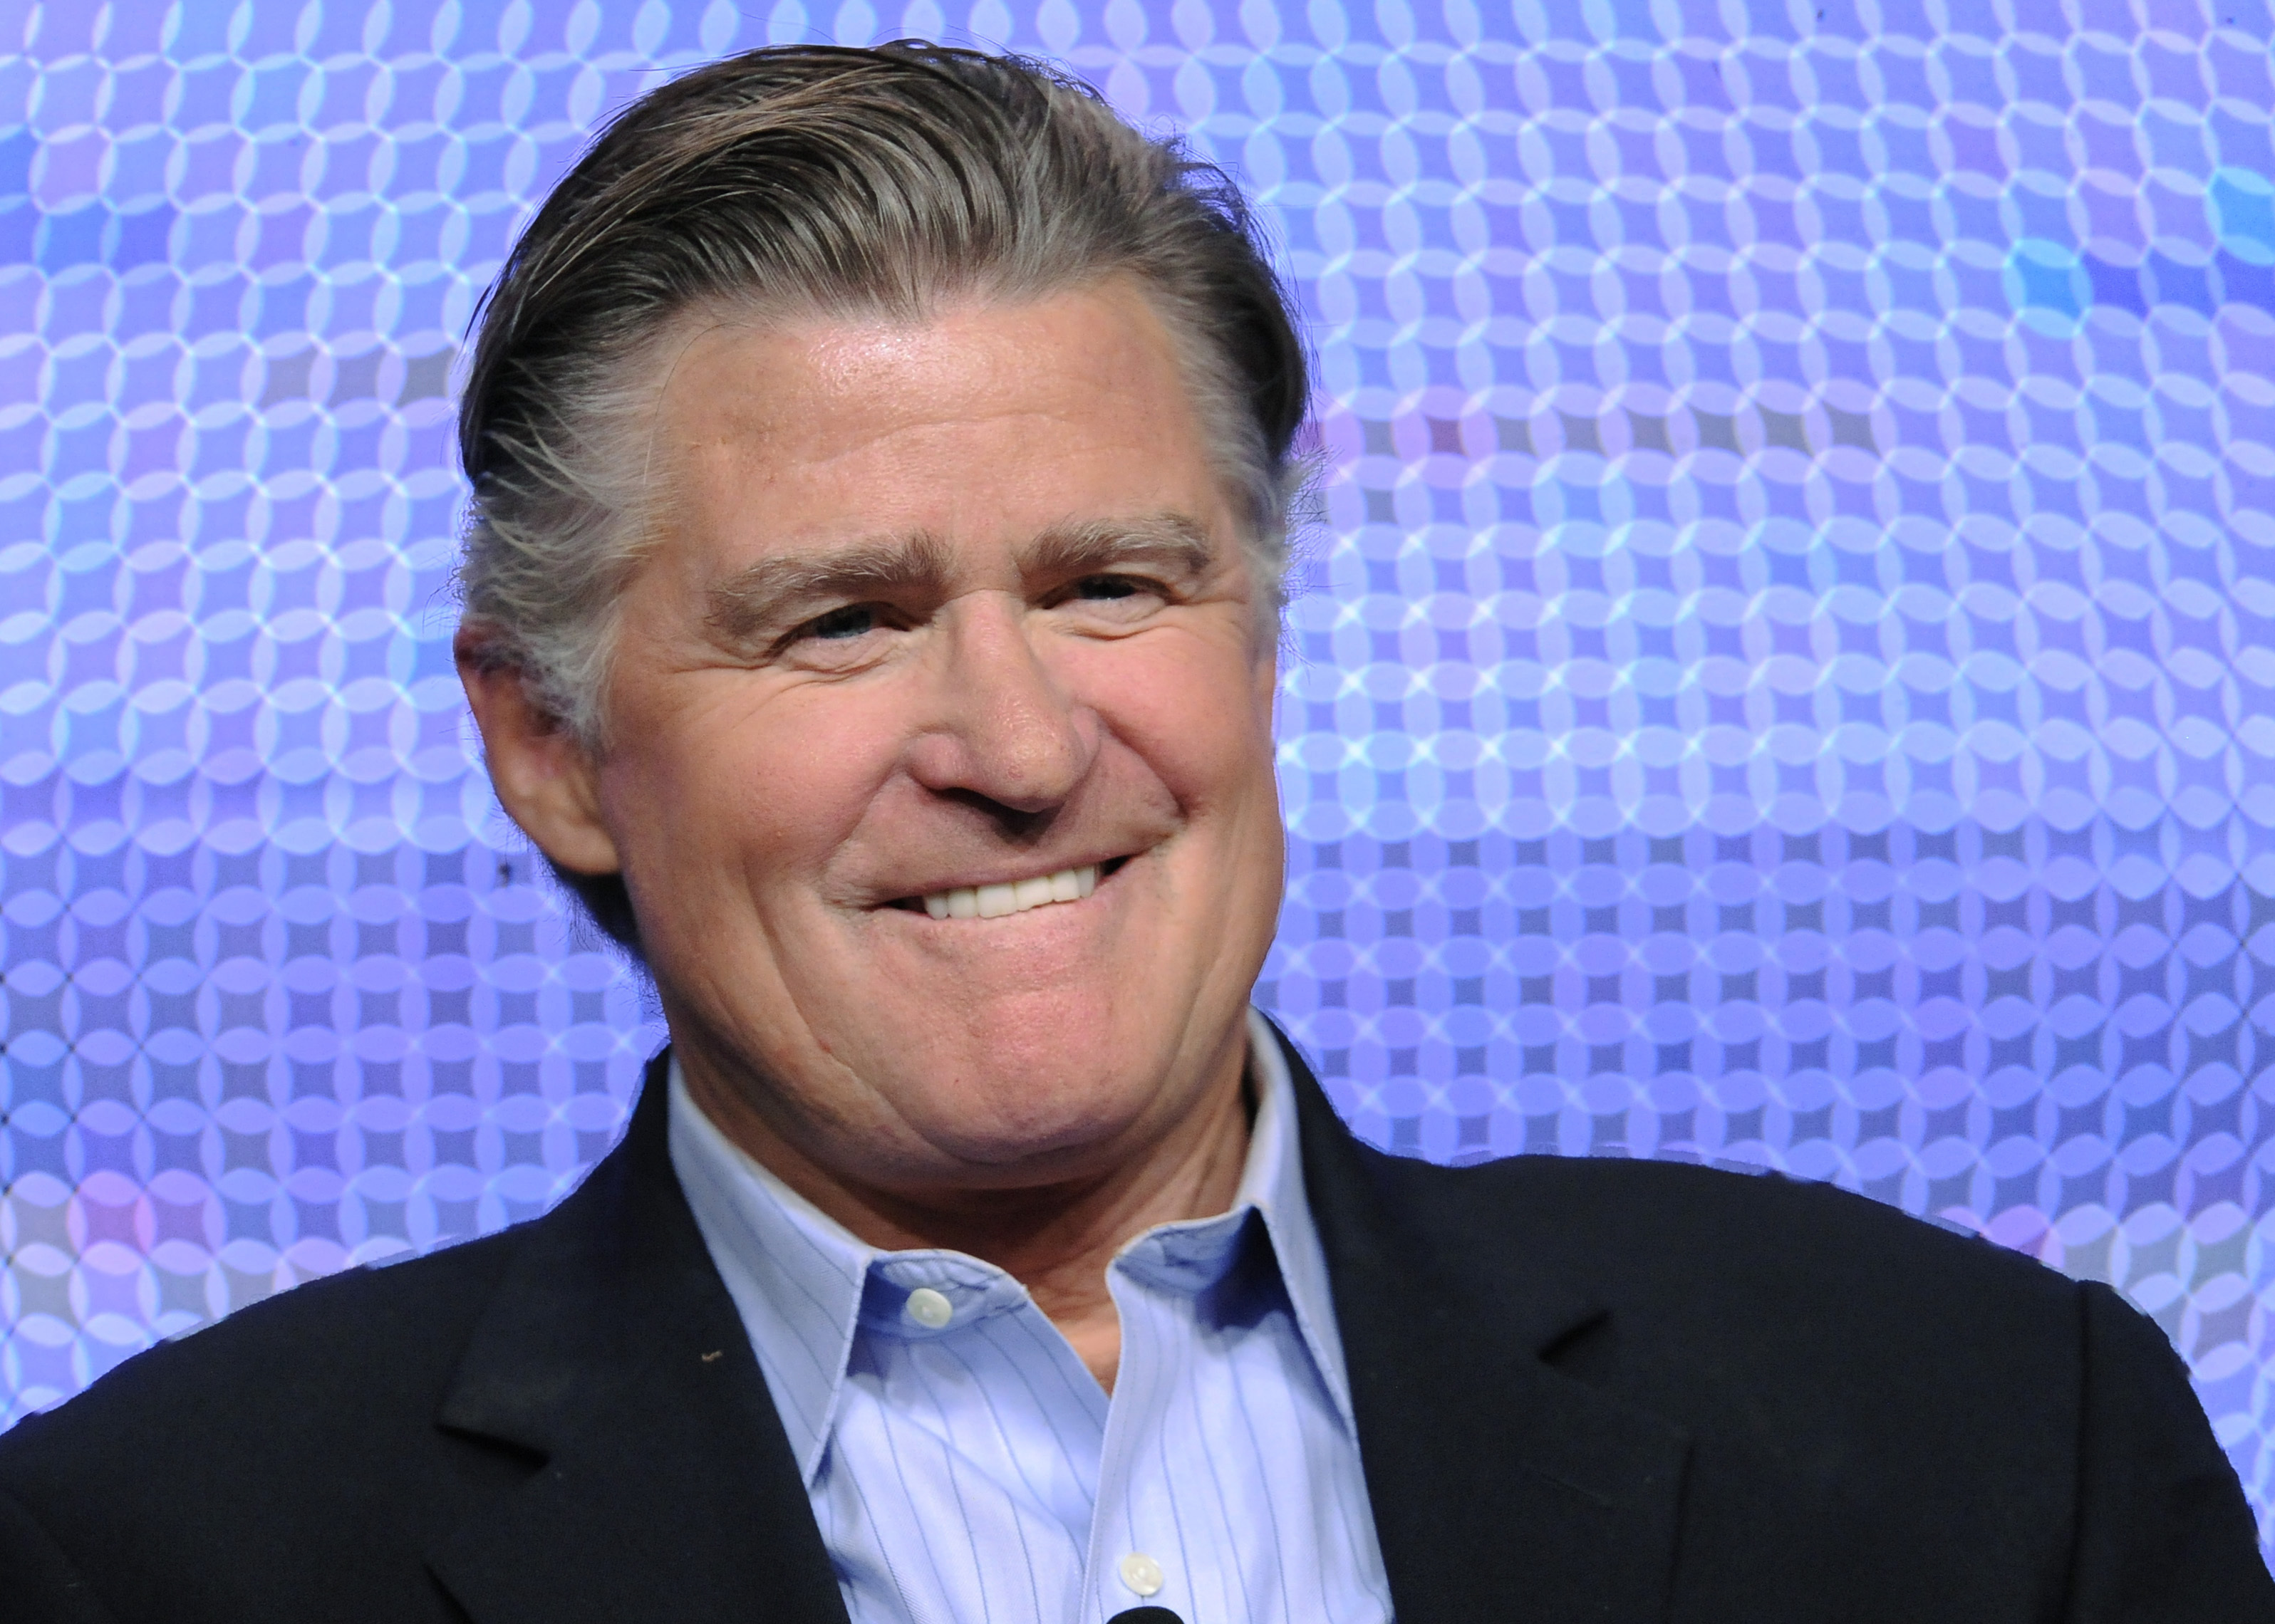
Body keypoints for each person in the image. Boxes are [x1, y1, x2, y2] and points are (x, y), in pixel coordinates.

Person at [1, 41, 2267, 1624]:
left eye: (1108, 587)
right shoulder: (149, 1563)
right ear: (550, 748)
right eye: (843, 620)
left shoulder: (1992, 1449)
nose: (1014, 743)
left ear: (1257, 641)